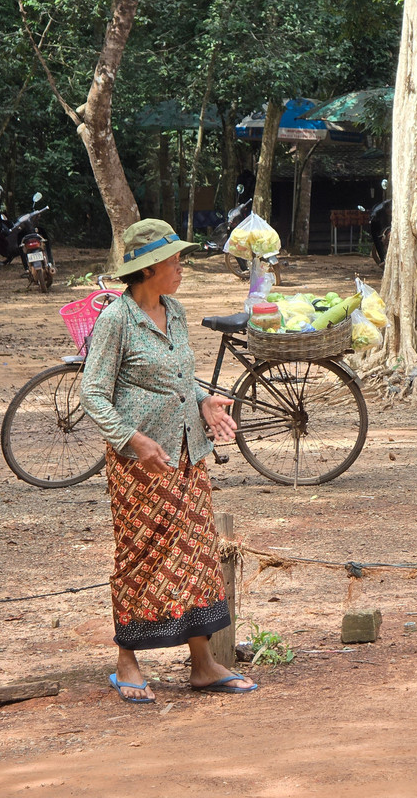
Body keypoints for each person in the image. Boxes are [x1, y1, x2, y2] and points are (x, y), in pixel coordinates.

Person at [80, 218, 257, 703]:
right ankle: (127, 660)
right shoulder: (117, 320)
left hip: (187, 454)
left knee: (195, 554)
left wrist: (203, 401)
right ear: (148, 268)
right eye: (175, 260)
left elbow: (181, 378)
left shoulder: (175, 311)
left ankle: (202, 664)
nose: (181, 267)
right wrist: (133, 439)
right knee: (141, 554)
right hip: (140, 464)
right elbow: (92, 393)